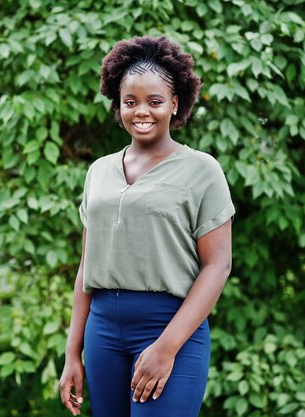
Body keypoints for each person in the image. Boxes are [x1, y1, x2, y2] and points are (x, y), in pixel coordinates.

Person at [59, 35, 235, 417]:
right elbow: (87, 266)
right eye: (130, 102)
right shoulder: (99, 171)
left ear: (174, 104)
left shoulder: (202, 170)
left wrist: (166, 346)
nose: (142, 111)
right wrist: (73, 352)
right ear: (118, 104)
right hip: (103, 331)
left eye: (155, 102)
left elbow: (217, 266)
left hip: (171, 327)